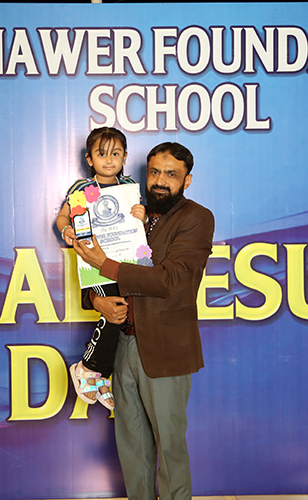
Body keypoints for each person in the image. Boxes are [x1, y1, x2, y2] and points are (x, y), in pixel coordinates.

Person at [73, 142, 214, 500]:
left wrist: (106, 264)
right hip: (122, 343)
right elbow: (94, 276)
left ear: (187, 180)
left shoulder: (197, 218)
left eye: (171, 174)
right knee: (132, 443)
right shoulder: (124, 211)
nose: (160, 181)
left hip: (166, 349)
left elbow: (170, 280)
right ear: (145, 174)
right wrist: (98, 301)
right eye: (154, 172)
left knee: (169, 445)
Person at [55, 126, 145, 410]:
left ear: (125, 157)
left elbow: (139, 225)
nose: (109, 160)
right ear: (89, 158)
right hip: (93, 263)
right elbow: (63, 217)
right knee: (114, 310)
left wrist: (141, 215)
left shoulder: (129, 187)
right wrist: (66, 230)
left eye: (115, 154)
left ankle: (101, 375)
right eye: (101, 153)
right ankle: (87, 367)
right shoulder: (82, 189)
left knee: (125, 314)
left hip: (124, 261)